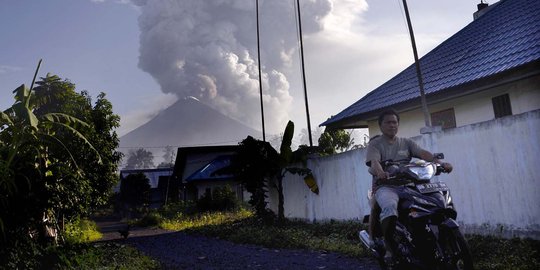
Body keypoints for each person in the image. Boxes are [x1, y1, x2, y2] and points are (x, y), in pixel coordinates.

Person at [365, 109, 453, 266]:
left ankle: (430, 240)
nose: (392, 125)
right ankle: (389, 246)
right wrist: (380, 172)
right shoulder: (375, 144)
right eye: (388, 122)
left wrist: (440, 163)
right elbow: (374, 162)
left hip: (409, 184)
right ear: (381, 125)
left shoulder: (406, 142)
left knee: (434, 201)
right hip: (387, 187)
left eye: (394, 122)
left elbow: (423, 153)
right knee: (390, 208)